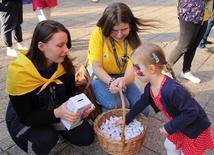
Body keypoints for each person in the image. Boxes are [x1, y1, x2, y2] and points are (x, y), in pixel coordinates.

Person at [5, 20, 95, 154]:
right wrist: (57, 113)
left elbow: (69, 96)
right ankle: (37, 145)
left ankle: (56, 126)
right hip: (30, 118)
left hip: (57, 110)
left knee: (87, 137)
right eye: (60, 45)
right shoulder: (19, 74)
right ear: (41, 46)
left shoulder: (64, 63)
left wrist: (81, 107)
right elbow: (25, 117)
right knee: (46, 139)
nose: (66, 50)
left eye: (66, 44)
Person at [116, 43, 214, 155]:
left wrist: (169, 127)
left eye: (136, 68)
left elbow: (191, 112)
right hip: (180, 124)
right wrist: (127, 119)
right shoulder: (150, 86)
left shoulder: (172, 90)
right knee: (170, 145)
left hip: (195, 130)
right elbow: (142, 102)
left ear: (152, 69)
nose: (134, 72)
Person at [86, 2, 157, 117]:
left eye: (124, 29)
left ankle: (110, 108)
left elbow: (130, 73)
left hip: (121, 76)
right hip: (99, 76)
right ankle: (103, 112)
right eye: (114, 30)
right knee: (120, 105)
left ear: (130, 26)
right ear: (106, 27)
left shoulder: (133, 40)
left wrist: (123, 81)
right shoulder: (98, 34)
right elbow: (97, 67)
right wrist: (111, 83)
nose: (119, 35)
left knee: (143, 111)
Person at [166, 0, 212, 83]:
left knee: (193, 46)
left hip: (204, 15)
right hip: (190, 13)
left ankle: (186, 71)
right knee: (182, 46)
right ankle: (164, 70)